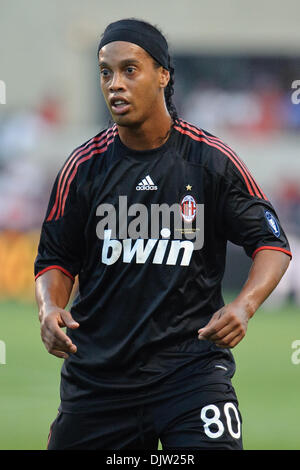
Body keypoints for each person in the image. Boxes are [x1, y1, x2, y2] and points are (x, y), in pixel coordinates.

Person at [34, 18, 291, 450]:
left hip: (190, 376)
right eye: (106, 72)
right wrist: (49, 307)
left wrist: (245, 306)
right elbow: (55, 259)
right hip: (98, 381)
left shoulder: (209, 161)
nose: (115, 84)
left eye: (129, 70)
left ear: (163, 75)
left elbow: (272, 244)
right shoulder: (83, 167)